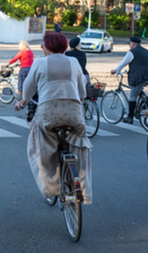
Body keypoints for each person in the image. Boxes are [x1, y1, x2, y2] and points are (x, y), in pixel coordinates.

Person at [16, 32, 92, 204]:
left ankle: (52, 186)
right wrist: (79, 99)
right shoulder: (74, 62)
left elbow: (28, 88)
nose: (42, 48)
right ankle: (79, 185)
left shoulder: (40, 62)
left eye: (43, 45)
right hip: (74, 112)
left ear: (47, 47)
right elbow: (82, 89)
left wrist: (22, 102)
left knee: (39, 145)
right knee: (77, 144)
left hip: (48, 111)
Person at [110, 36, 148, 124]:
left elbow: (123, 62)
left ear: (132, 44)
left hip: (140, 77)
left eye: (129, 44)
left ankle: (130, 117)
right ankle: (145, 103)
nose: (129, 45)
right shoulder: (145, 50)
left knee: (133, 95)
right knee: (138, 90)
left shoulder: (132, 52)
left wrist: (116, 70)